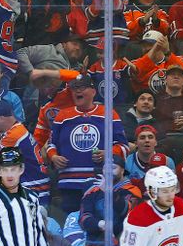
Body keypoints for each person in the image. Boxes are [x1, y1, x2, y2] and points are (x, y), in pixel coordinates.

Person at [45, 74, 129, 213]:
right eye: (74, 88)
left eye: (82, 87)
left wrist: (109, 153)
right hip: (69, 183)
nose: (77, 91)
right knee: (71, 225)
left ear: (93, 92)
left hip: (99, 182)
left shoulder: (108, 113)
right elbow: (51, 145)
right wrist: (54, 157)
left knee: (96, 224)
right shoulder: (62, 116)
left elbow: (123, 146)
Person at [79, 156, 142, 246]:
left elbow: (126, 211)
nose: (108, 171)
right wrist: (100, 224)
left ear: (122, 170)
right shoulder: (92, 191)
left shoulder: (132, 191)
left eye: (113, 168)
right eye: (106, 168)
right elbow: (83, 218)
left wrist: (109, 192)